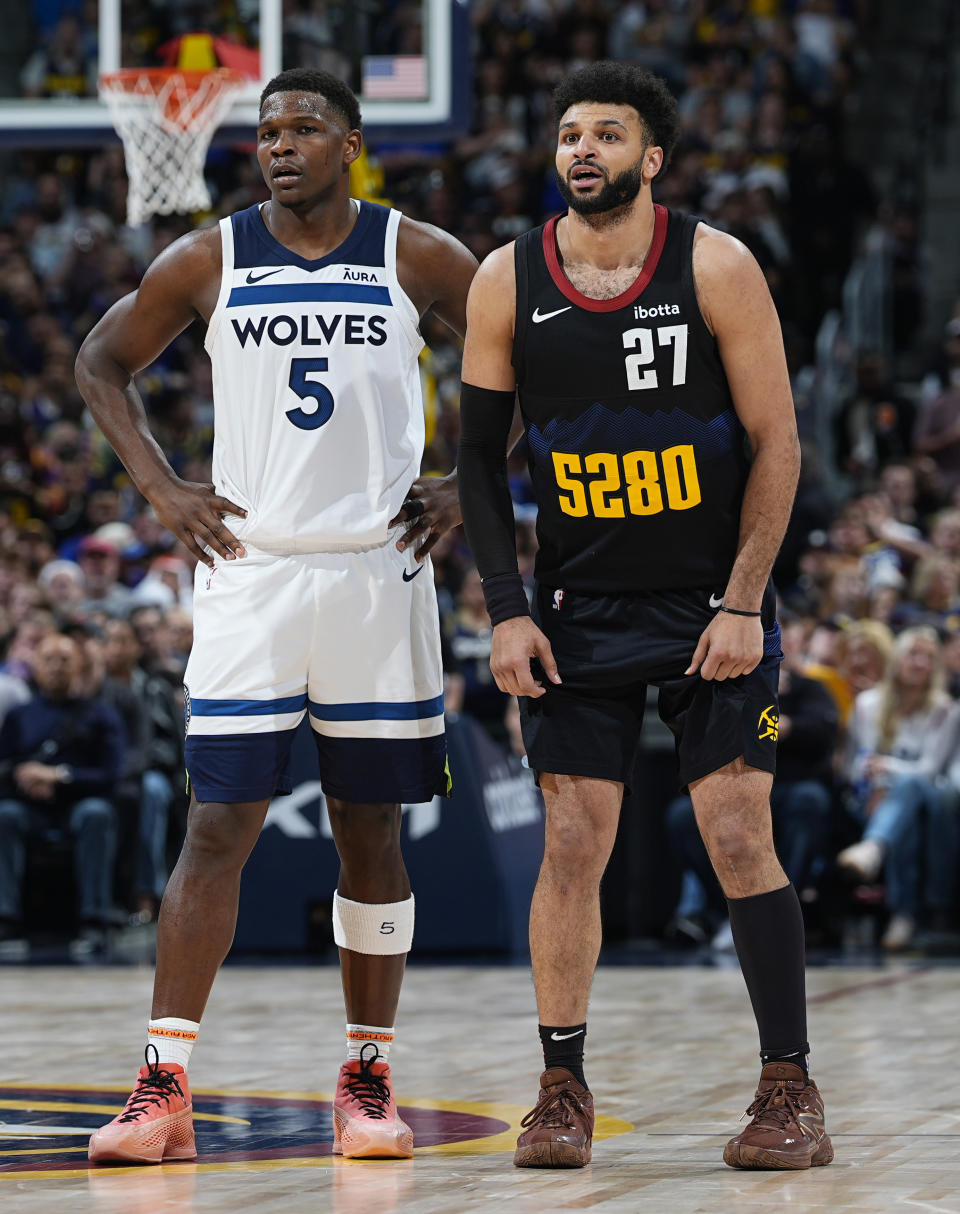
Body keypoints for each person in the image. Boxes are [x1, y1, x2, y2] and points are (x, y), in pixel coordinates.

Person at [75, 68, 477, 1164]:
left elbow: (518, 357)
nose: (280, 144)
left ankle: (368, 1076)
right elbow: (100, 360)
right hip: (250, 572)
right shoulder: (210, 255)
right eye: (267, 130)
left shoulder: (417, 252)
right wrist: (162, 489)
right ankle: (162, 1085)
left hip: (376, 569)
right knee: (217, 826)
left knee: (370, 830)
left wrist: (466, 481)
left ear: (350, 141)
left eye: (303, 127)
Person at [458, 61, 832, 1171]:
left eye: (606, 133)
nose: (581, 149)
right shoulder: (504, 279)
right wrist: (510, 610)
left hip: (710, 603)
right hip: (577, 610)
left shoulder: (715, 264)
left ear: (651, 157)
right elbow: (479, 465)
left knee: (735, 833)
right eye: (568, 132)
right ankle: (560, 1085)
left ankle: (789, 1088)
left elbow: (779, 444)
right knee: (571, 843)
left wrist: (744, 601)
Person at [837, 626, 958, 950]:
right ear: (897, 659)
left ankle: (873, 849)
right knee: (903, 817)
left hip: (927, 801)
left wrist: (887, 769)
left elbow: (930, 771)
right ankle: (905, 916)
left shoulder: (945, 710)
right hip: (874, 799)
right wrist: (875, 782)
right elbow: (852, 766)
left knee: (911, 787)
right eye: (913, 654)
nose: (919, 663)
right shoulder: (867, 705)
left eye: (928, 658)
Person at [0, 631, 124, 948]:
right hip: (30, 806)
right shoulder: (19, 716)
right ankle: (6, 920)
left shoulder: (101, 714)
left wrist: (60, 776)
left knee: (97, 814)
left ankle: (94, 920)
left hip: (79, 804)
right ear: (37, 667)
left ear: (79, 667)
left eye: (65, 660)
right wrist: (24, 777)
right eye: (49, 660)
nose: (56, 667)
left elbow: (111, 774)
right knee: (6, 816)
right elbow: (5, 765)